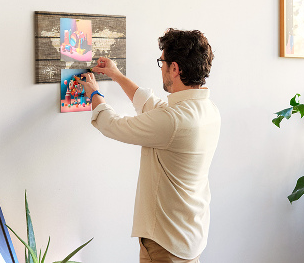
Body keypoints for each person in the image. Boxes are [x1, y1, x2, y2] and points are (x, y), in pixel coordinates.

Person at [77, 28, 221, 263]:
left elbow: (111, 124)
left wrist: (93, 91)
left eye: (161, 62)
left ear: (174, 68)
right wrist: (116, 74)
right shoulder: (208, 110)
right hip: (189, 236)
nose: (161, 68)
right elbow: (152, 106)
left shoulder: (174, 121)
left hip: (165, 245)